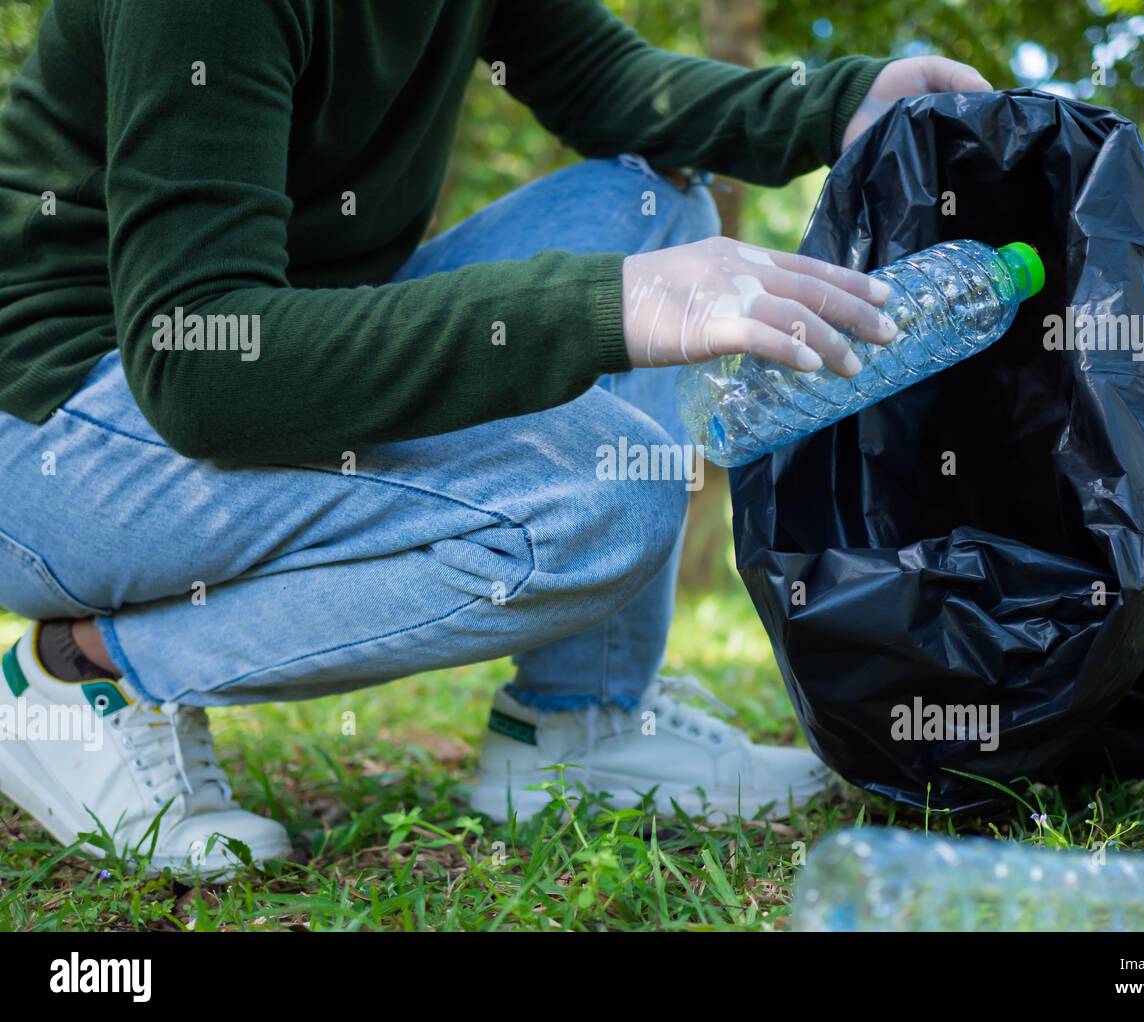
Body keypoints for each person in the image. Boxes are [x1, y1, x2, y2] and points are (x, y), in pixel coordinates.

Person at [0, 0, 991, 877]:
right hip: (54, 427)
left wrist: (841, 104)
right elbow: (203, 359)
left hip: (266, 351)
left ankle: (574, 720)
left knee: (650, 204)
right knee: (596, 498)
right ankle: (82, 672)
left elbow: (612, 82)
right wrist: (596, 309)